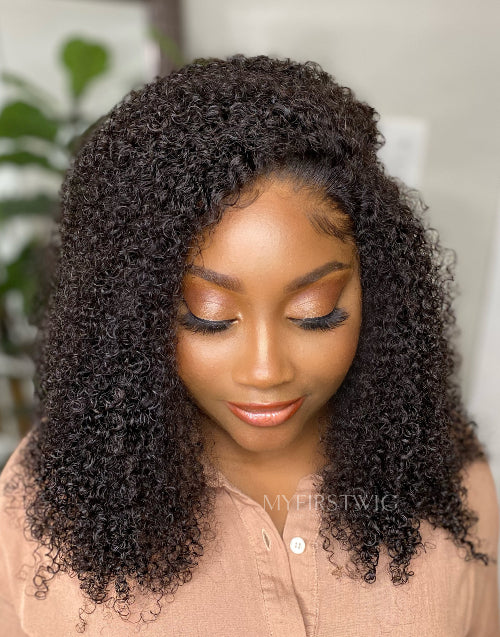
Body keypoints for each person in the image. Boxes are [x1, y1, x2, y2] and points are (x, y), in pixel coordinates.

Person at [0, 54, 498, 636]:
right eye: (210, 317)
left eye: (315, 313)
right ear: (133, 314)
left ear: (379, 292)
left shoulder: (446, 477)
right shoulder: (43, 505)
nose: (266, 370)